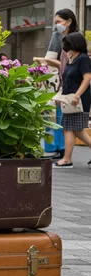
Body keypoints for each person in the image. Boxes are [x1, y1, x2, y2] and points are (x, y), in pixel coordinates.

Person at [35, 8, 79, 160]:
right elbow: (51, 58)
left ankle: (62, 149)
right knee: (52, 114)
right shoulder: (56, 36)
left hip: (73, 81)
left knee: (67, 118)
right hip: (56, 81)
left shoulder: (76, 38)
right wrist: (43, 69)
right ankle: (53, 148)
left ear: (69, 21)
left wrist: (47, 61)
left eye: (59, 22)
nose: (57, 26)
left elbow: (75, 63)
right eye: (55, 23)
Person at [54, 32, 91, 169]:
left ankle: (67, 159)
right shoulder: (72, 58)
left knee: (69, 127)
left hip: (78, 99)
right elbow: (67, 79)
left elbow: (87, 78)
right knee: (77, 130)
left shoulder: (83, 59)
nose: (65, 46)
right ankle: (67, 158)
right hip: (69, 99)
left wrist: (77, 95)